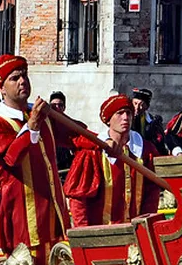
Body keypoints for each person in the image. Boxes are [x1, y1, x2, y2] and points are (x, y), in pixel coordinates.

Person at [0, 54, 69, 265]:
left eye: (25, 76)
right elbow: (12, 158)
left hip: (52, 209)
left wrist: (107, 140)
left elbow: (75, 134)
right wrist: (32, 126)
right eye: (14, 78)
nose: (22, 82)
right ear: (1, 88)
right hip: (21, 213)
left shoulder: (41, 114)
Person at [63, 94, 162, 227]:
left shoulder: (146, 150)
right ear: (109, 120)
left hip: (137, 233)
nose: (125, 118)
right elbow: (79, 201)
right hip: (102, 234)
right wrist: (84, 234)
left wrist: (146, 225)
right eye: (119, 113)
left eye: (128, 113)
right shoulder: (92, 153)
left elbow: (152, 193)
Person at [48, 91, 82, 171]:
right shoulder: (45, 125)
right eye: (53, 105)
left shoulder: (70, 127)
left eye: (60, 105)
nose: (57, 107)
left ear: (64, 107)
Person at [130, 88, 166, 154]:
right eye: (135, 103)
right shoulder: (125, 118)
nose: (137, 108)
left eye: (141, 105)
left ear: (147, 107)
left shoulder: (153, 122)